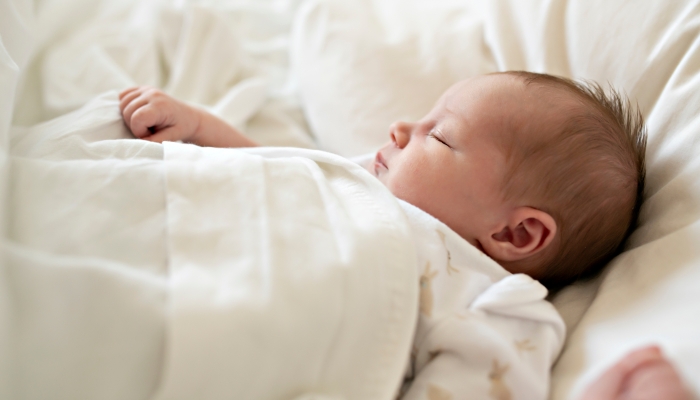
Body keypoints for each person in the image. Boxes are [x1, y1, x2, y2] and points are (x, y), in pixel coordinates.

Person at [119, 72, 691, 399]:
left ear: (516, 232)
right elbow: (279, 166)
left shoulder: (495, 299)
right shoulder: (361, 181)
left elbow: (480, 384)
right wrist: (198, 129)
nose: (399, 127)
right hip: (189, 262)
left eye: (438, 137)